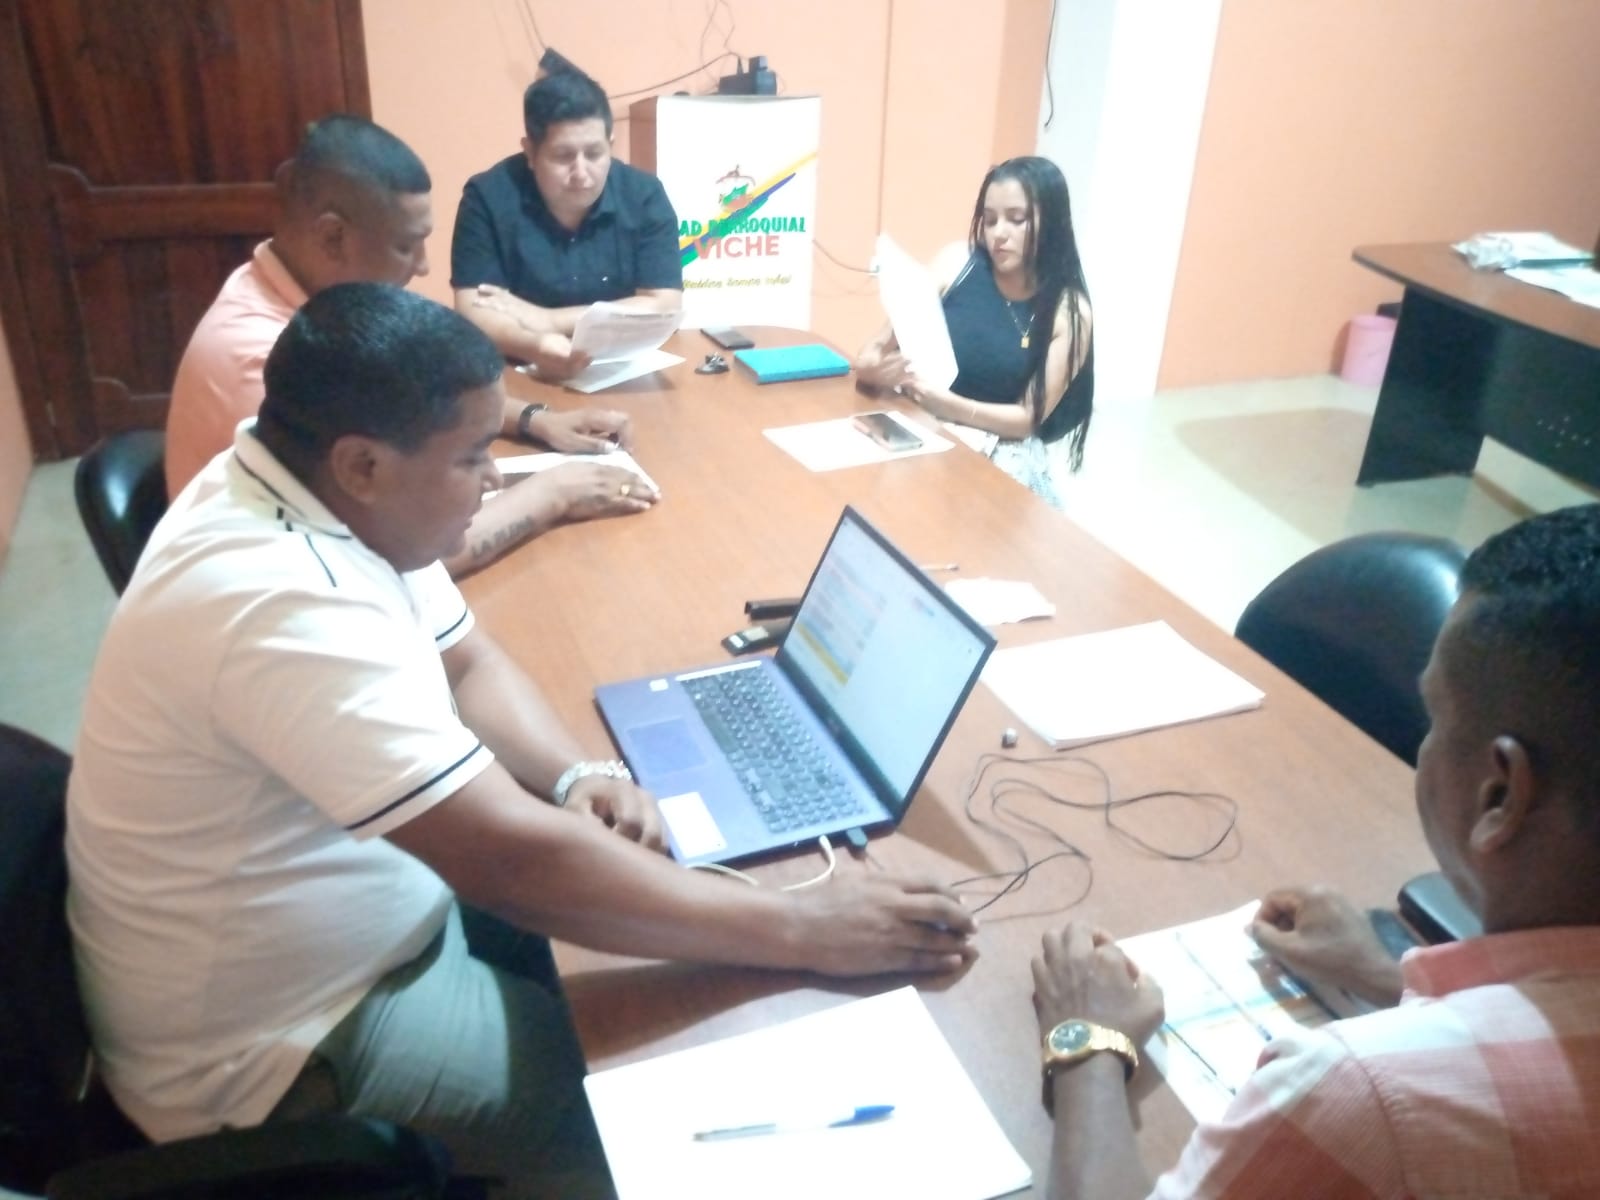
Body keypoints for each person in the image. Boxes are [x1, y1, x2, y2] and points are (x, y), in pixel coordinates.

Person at [68, 282, 976, 1199]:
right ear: (364, 464)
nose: (496, 478)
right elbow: (509, 862)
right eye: (471, 457)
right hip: (288, 1044)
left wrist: (577, 773)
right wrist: (804, 927)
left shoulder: (311, 488)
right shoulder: (282, 601)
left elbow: (466, 662)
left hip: (362, 922)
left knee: (673, 945)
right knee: (683, 1111)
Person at [1030, 503, 1600, 1198]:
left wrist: (1087, 1040)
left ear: (1500, 796)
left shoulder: (1365, 1094)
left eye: (1435, 717)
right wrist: (1388, 978)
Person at [164, 113, 654, 578]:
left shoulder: (300, 299)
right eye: (405, 245)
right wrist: (553, 494)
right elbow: (389, 556)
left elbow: (409, 394)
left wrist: (536, 419)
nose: (422, 267)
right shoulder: (265, 362)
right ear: (333, 237)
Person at [855, 156, 1093, 508]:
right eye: (990, 219)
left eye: (1017, 219)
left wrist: (949, 406)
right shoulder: (955, 264)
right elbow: (872, 351)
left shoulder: (1069, 312)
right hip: (922, 428)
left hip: (1000, 448)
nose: (999, 233)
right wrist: (873, 370)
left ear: (1052, 222)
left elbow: (1027, 419)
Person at [450, 68, 683, 380]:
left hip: (621, 371)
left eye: (595, 154)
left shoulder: (644, 196)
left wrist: (549, 320)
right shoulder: (488, 197)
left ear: (610, 144)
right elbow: (474, 309)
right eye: (563, 156)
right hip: (519, 369)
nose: (581, 174)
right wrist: (535, 344)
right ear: (530, 152)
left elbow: (664, 305)